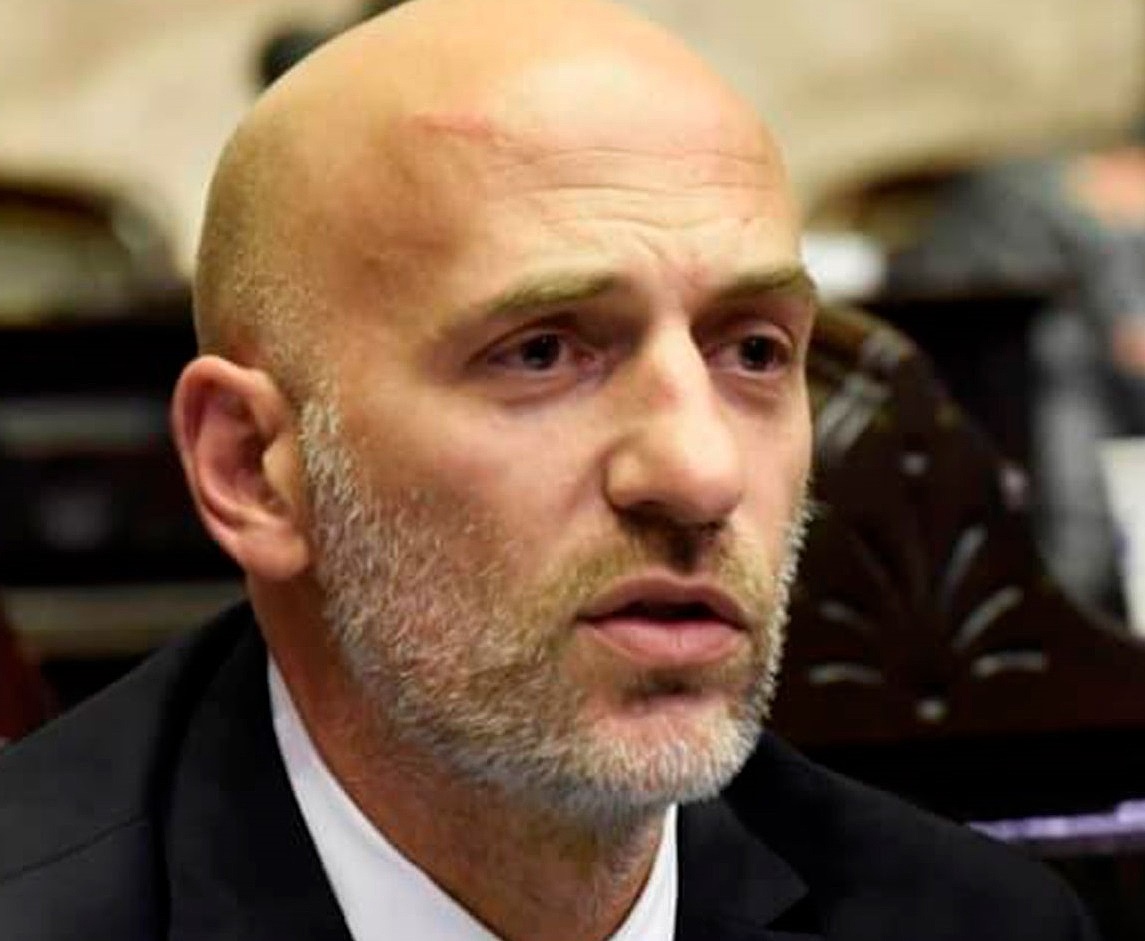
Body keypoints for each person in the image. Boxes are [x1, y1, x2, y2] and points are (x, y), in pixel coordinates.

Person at [0, 1, 1099, 938]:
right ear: (252, 467)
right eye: (540, 352)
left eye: (754, 352)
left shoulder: (978, 921)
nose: (699, 473)